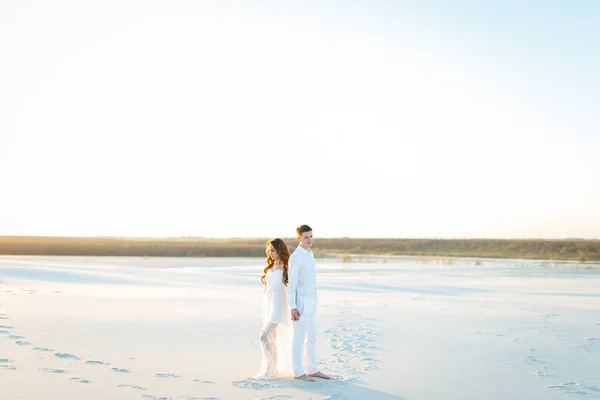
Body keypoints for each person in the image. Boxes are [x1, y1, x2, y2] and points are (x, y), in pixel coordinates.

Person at [288, 224, 330, 381]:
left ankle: (312, 369)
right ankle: (298, 372)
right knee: (298, 337)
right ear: (299, 238)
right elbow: (291, 285)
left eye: (311, 236)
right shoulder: (296, 257)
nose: (309, 240)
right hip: (301, 303)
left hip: (312, 301)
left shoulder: (310, 254)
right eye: (306, 237)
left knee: (312, 336)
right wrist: (292, 306)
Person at [255, 238, 293, 379]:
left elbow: (292, 286)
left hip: (279, 303)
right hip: (269, 303)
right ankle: (271, 368)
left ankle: (271, 367)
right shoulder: (271, 266)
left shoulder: (286, 266)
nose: (270, 253)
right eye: (269, 250)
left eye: (273, 250)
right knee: (272, 338)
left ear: (279, 250)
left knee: (264, 336)